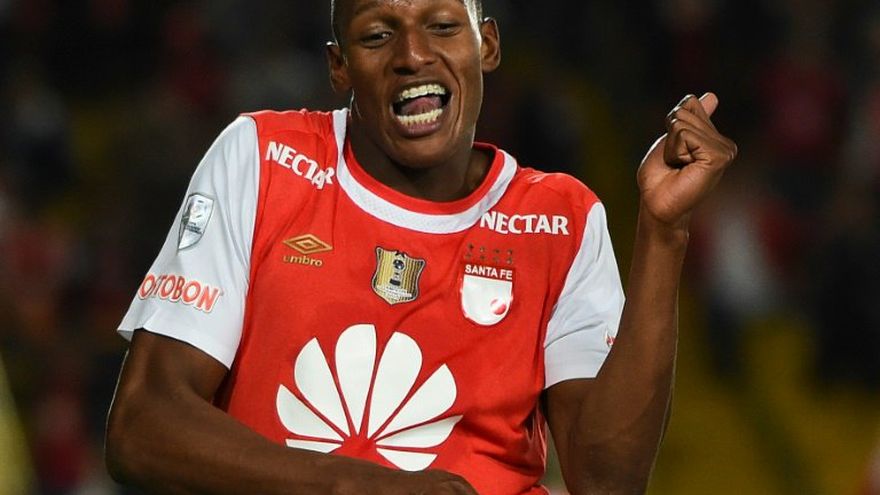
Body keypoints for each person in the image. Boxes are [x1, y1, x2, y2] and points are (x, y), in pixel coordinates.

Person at [105, 0, 737, 493]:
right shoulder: (262, 159)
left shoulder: (561, 219)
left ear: (487, 45)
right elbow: (143, 426)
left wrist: (663, 234)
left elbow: (607, 483)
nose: (413, 55)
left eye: (442, 26)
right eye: (378, 35)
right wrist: (360, 486)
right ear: (339, 66)